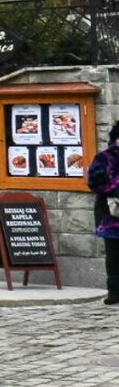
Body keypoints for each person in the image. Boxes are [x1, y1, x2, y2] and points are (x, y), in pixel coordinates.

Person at [86, 121, 119, 305]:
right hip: (112, 216)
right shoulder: (104, 158)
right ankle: (114, 292)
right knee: (114, 254)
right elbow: (95, 182)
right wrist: (116, 186)